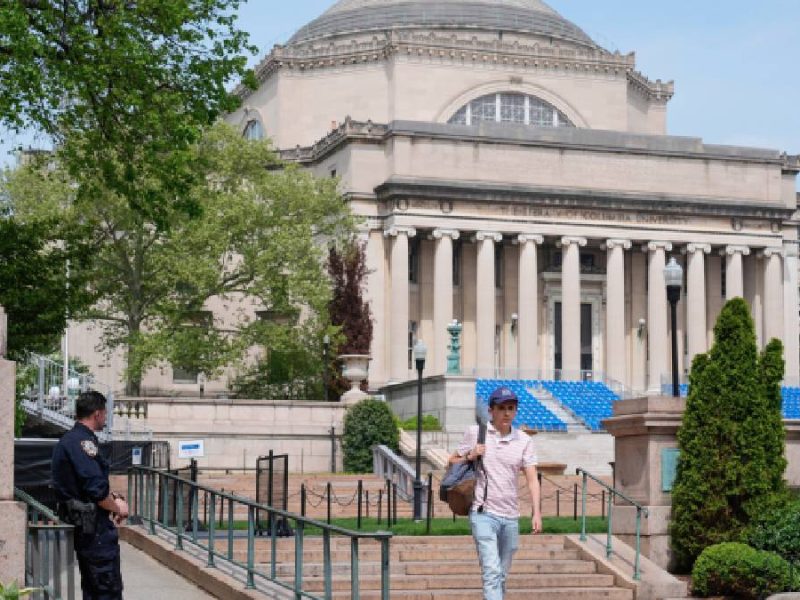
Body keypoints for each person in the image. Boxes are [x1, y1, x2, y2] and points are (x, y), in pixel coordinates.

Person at [449, 386, 542, 600]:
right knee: (491, 571)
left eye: (511, 408)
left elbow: (531, 479)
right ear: (491, 410)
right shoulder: (476, 433)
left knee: (501, 574)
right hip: (483, 513)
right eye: (501, 408)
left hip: (511, 516)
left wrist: (536, 513)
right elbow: (451, 461)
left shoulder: (524, 441)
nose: (507, 413)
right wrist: (471, 455)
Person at [52, 390, 129, 600]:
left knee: (94, 589)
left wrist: (112, 497)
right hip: (94, 530)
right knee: (106, 590)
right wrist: (118, 507)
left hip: (88, 528)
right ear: (97, 414)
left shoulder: (71, 440)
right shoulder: (81, 442)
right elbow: (96, 489)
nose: (105, 418)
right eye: (105, 413)